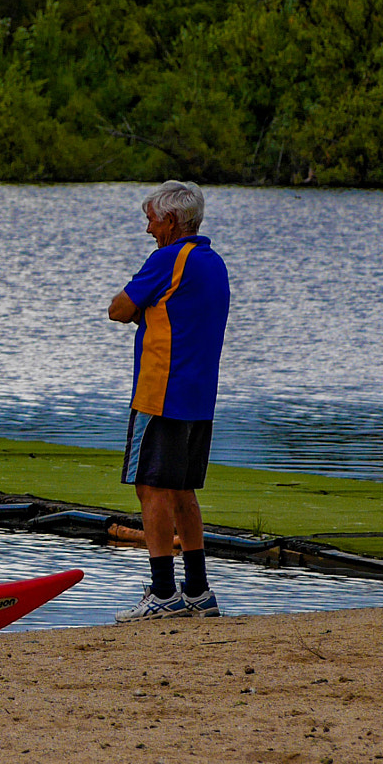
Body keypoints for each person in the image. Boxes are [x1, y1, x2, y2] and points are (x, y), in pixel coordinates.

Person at [107, 180, 230, 621]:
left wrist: (143, 310)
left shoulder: (168, 258)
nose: (148, 230)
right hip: (200, 396)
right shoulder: (213, 262)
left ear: (172, 222)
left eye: (152, 220)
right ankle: (197, 590)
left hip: (161, 391)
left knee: (150, 487)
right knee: (183, 490)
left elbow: (119, 308)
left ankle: (163, 592)